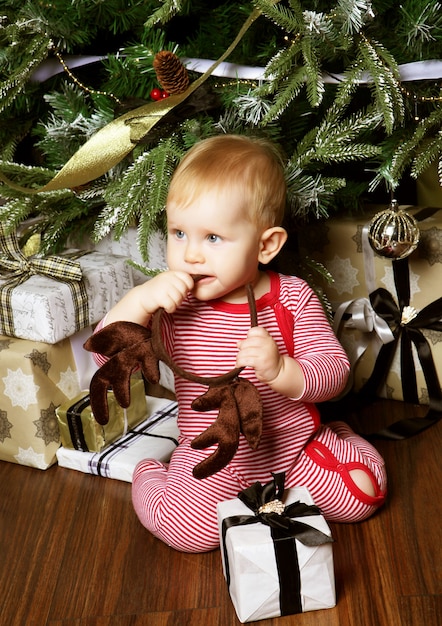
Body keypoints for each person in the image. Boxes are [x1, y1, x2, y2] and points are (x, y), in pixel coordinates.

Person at [93, 134, 387, 553]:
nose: (191, 254)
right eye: (179, 233)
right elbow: (109, 355)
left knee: (364, 492)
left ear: (266, 245)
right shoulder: (171, 302)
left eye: (213, 238)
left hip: (293, 449)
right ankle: (151, 471)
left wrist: (283, 370)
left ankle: (336, 438)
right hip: (217, 459)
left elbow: (334, 371)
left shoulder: (291, 297)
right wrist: (137, 301)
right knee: (185, 532)